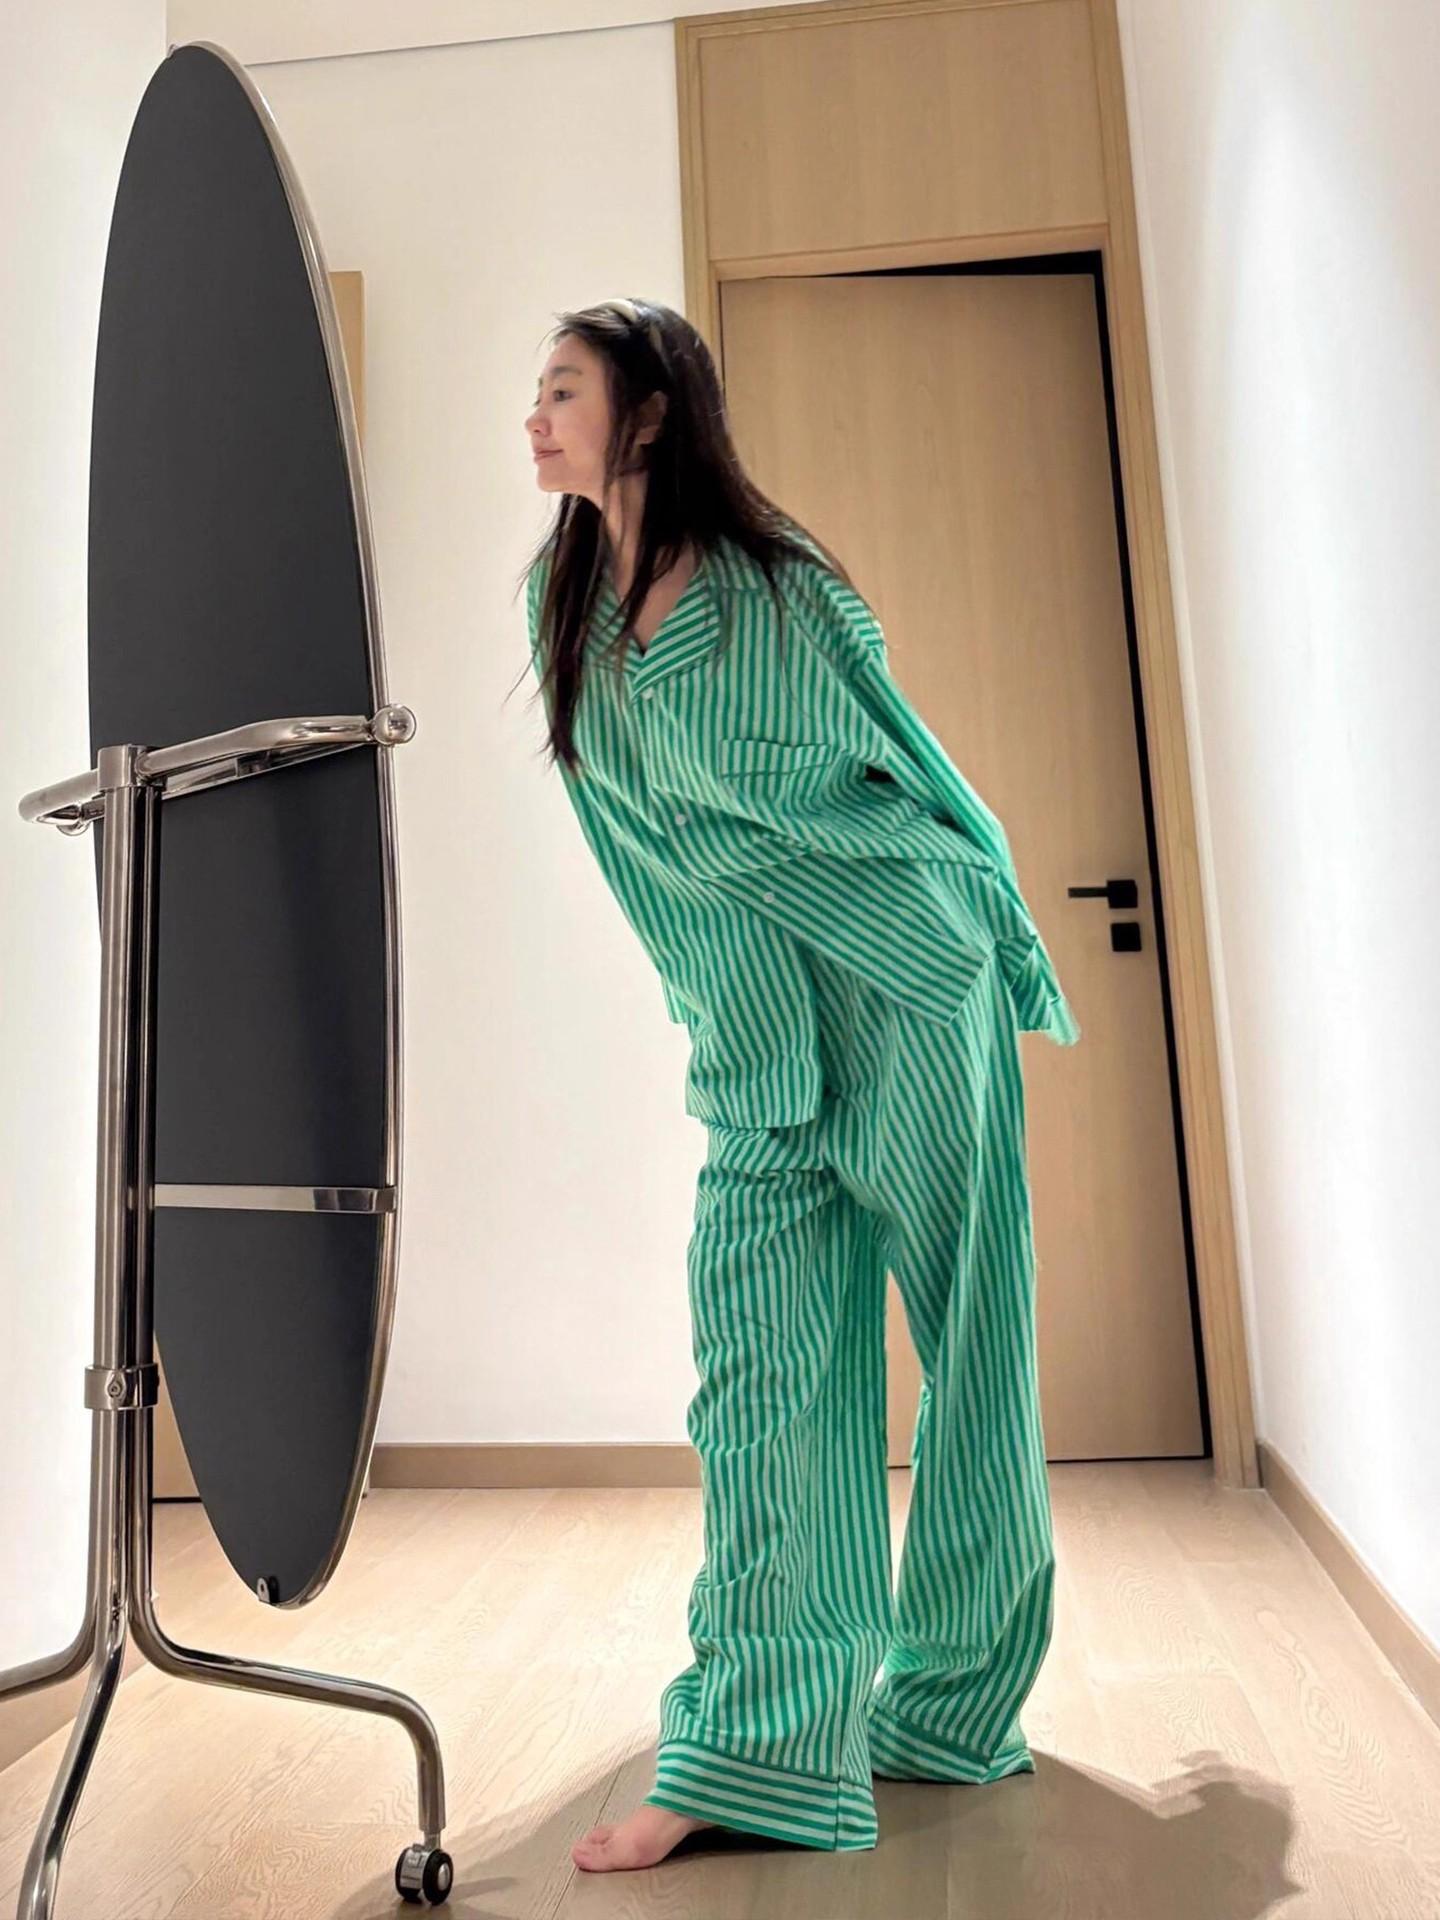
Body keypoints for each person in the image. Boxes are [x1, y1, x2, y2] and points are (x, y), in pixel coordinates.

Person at [520, 296, 1081, 1875]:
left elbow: (905, 773)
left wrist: (994, 934)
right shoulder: (561, 607)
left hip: (907, 982)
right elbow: (637, 854)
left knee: (971, 1336)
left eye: (561, 391)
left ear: (647, 415)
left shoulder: (782, 594)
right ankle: (760, 1747)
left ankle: (954, 1702)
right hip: (762, 1037)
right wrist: (717, 1004)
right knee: (761, 1381)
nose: (534, 418)